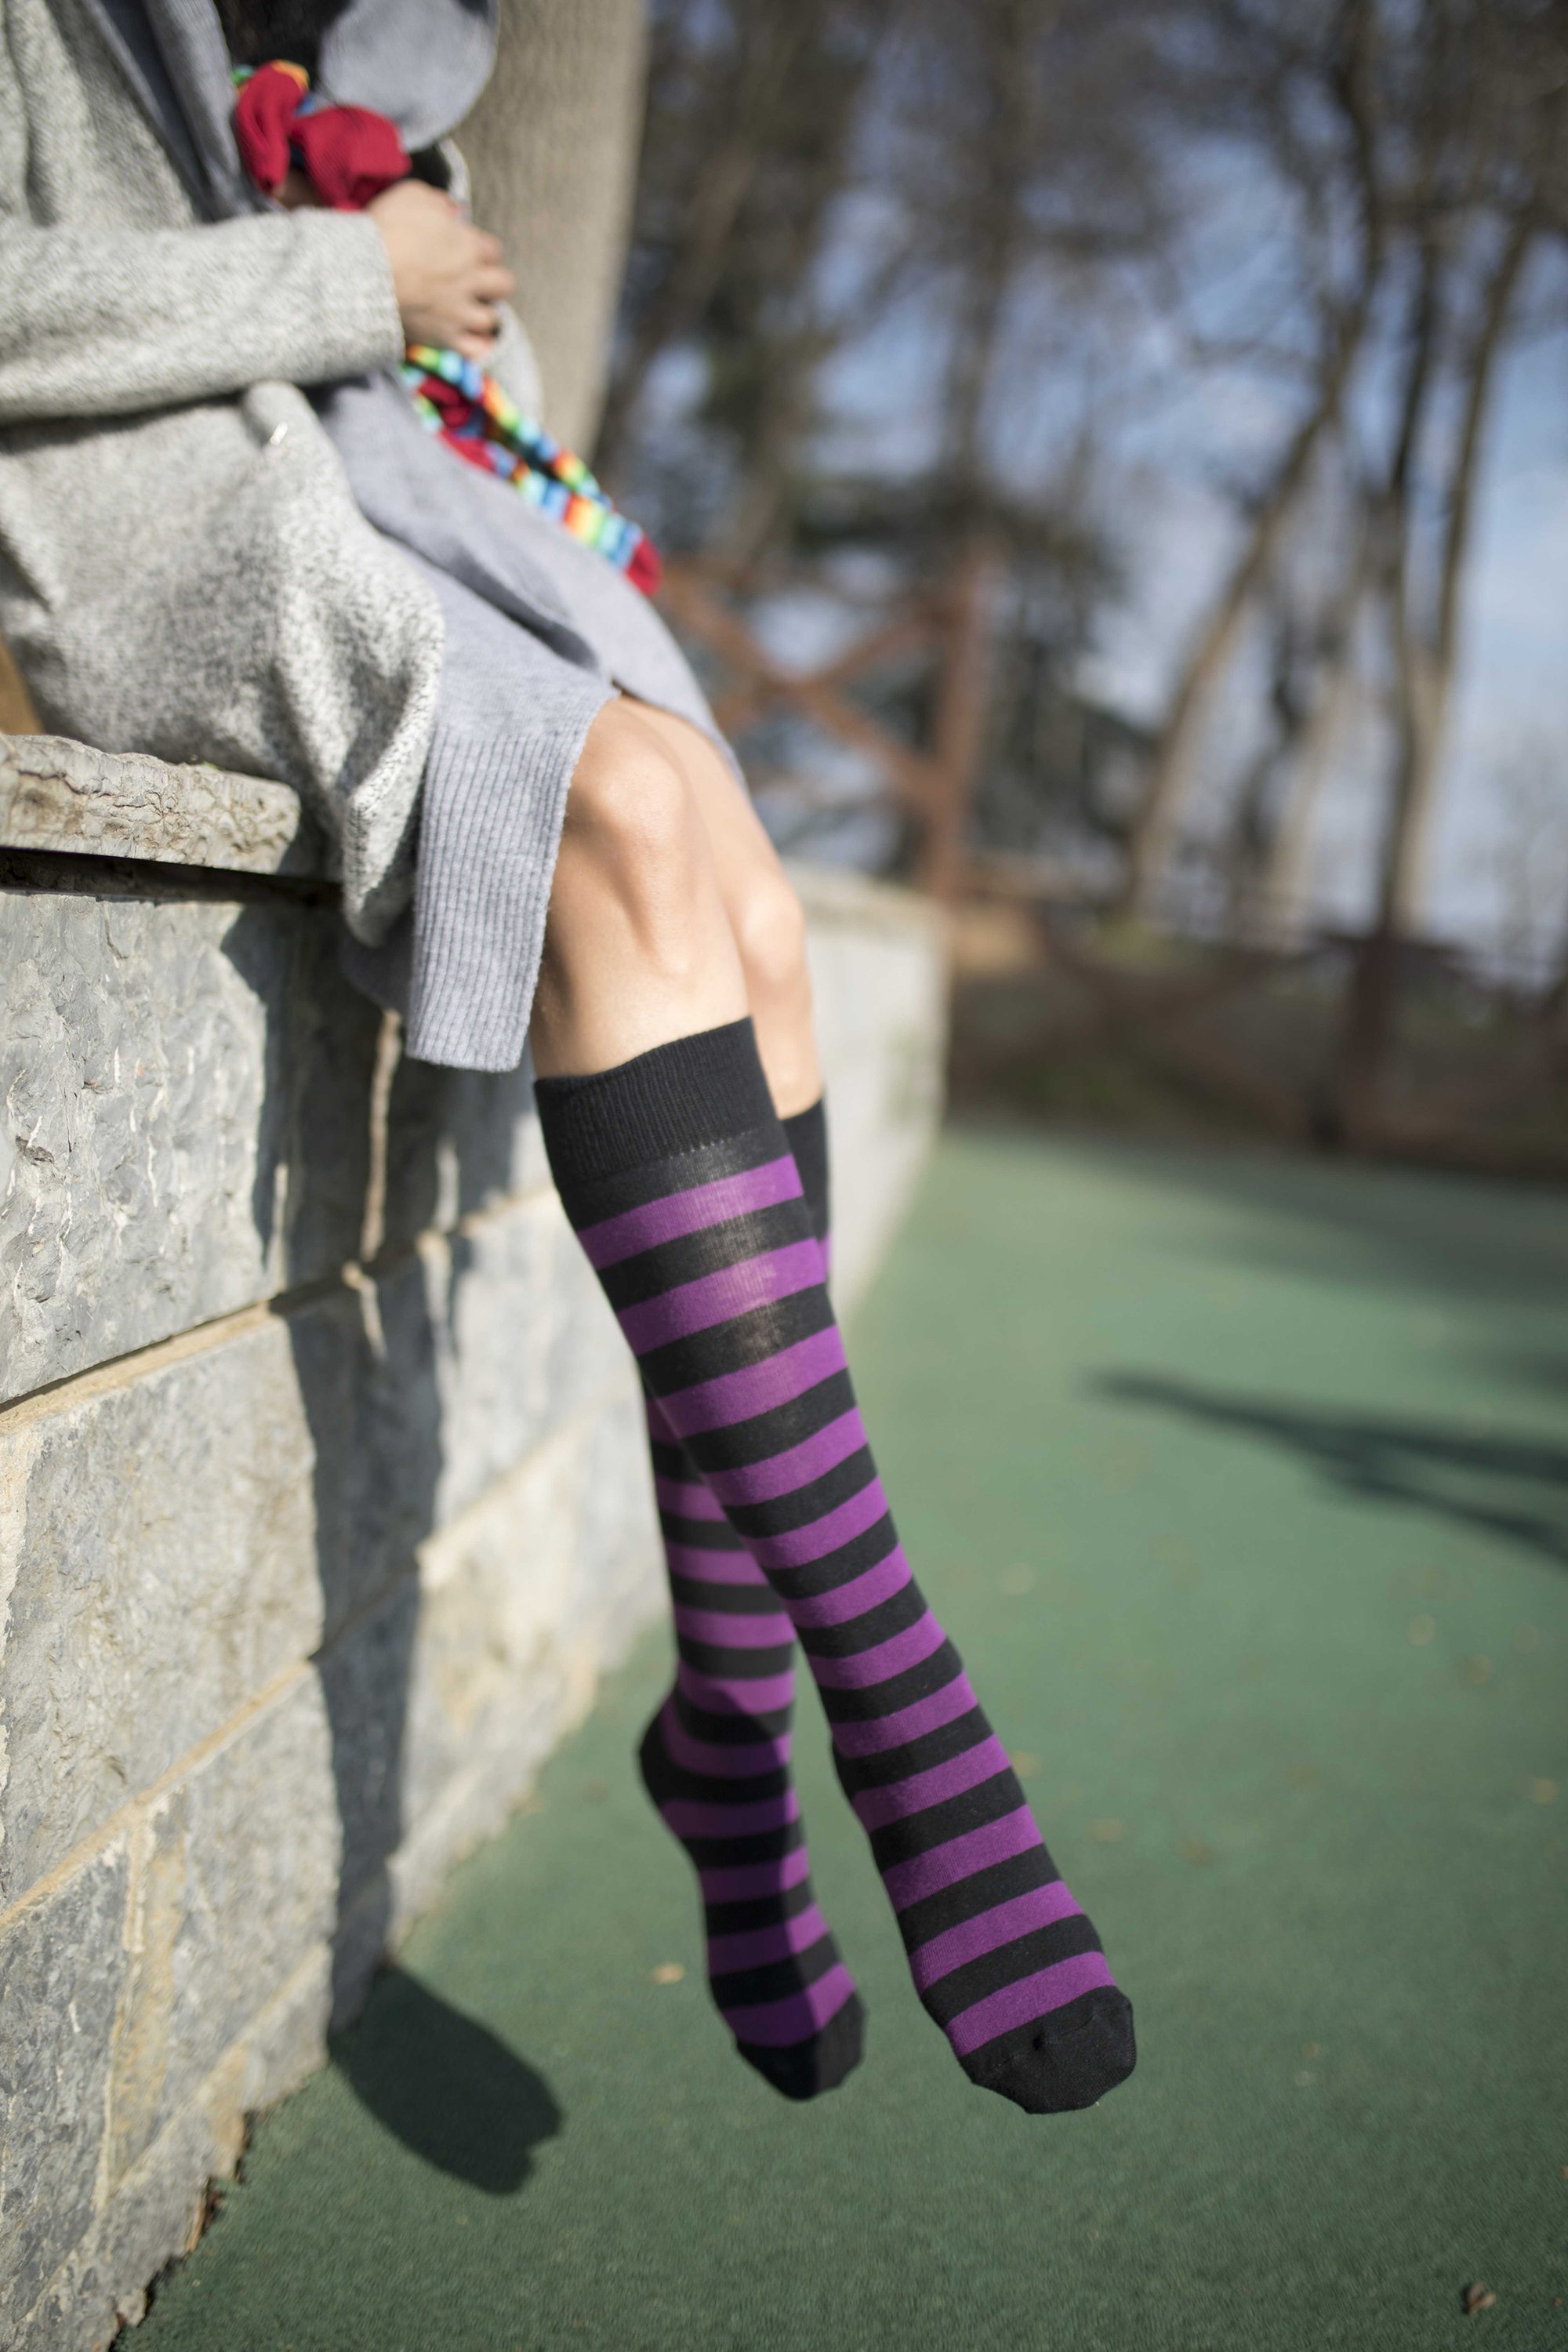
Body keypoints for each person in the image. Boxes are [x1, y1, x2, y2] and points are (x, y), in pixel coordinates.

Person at [0, 0, 1134, 2112]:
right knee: (620, 819)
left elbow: (467, 394)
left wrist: (437, 292)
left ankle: (729, 1706)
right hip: (196, 539)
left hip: (443, 532)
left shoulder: (374, 57)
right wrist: (350, 270)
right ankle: (882, 1688)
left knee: (761, 913)